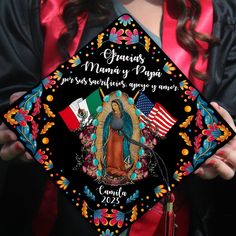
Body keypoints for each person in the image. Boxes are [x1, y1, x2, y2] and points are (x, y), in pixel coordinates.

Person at [0, 0, 236, 235]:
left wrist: (221, 148)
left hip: (167, 220)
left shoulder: (220, 17)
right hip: (57, 217)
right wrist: (20, 124)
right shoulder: (37, 7)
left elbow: (219, 120)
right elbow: (14, 95)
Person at [103, 100, 133, 178]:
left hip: (120, 136)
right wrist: (109, 127)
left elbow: (129, 127)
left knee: (118, 152)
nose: (114, 107)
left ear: (119, 105)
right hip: (111, 136)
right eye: (112, 105)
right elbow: (106, 125)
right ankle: (110, 168)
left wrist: (123, 130)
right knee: (110, 151)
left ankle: (120, 168)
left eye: (115, 105)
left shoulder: (125, 115)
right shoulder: (110, 115)